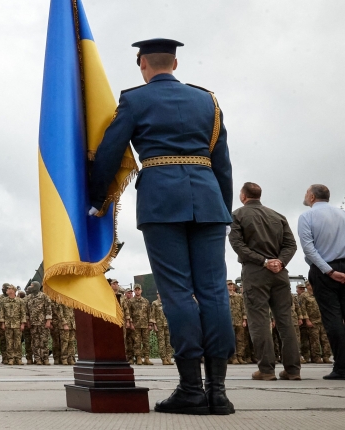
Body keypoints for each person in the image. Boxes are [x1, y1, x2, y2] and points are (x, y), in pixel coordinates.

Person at [90, 38, 235, 415]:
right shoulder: (208, 101)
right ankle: (218, 392)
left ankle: (190, 389)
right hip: (208, 200)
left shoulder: (135, 100)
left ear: (142, 64)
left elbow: (109, 151)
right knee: (215, 292)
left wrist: (96, 197)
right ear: (175, 62)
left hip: (160, 199)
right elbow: (222, 161)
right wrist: (223, 206)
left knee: (177, 293)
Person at [227, 181, 301, 381]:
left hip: (255, 272)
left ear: (243, 196)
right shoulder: (278, 216)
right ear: (259, 195)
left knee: (259, 320)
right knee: (286, 320)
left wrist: (263, 261)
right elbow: (291, 245)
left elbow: (237, 245)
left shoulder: (237, 215)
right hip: (280, 273)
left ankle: (266, 369)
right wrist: (280, 261)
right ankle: (293, 370)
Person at [297, 184, 345, 380]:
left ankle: (341, 367)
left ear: (312, 197)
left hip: (324, 270)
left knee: (332, 319)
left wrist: (329, 271)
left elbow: (309, 249)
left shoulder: (306, 217)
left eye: (306, 193)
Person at [297, 282, 332, 364]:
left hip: (322, 320)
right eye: (310, 284)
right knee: (315, 340)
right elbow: (303, 308)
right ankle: (316, 357)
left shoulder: (319, 293)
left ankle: (326, 356)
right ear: (307, 286)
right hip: (312, 321)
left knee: (325, 339)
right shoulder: (304, 296)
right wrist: (307, 320)